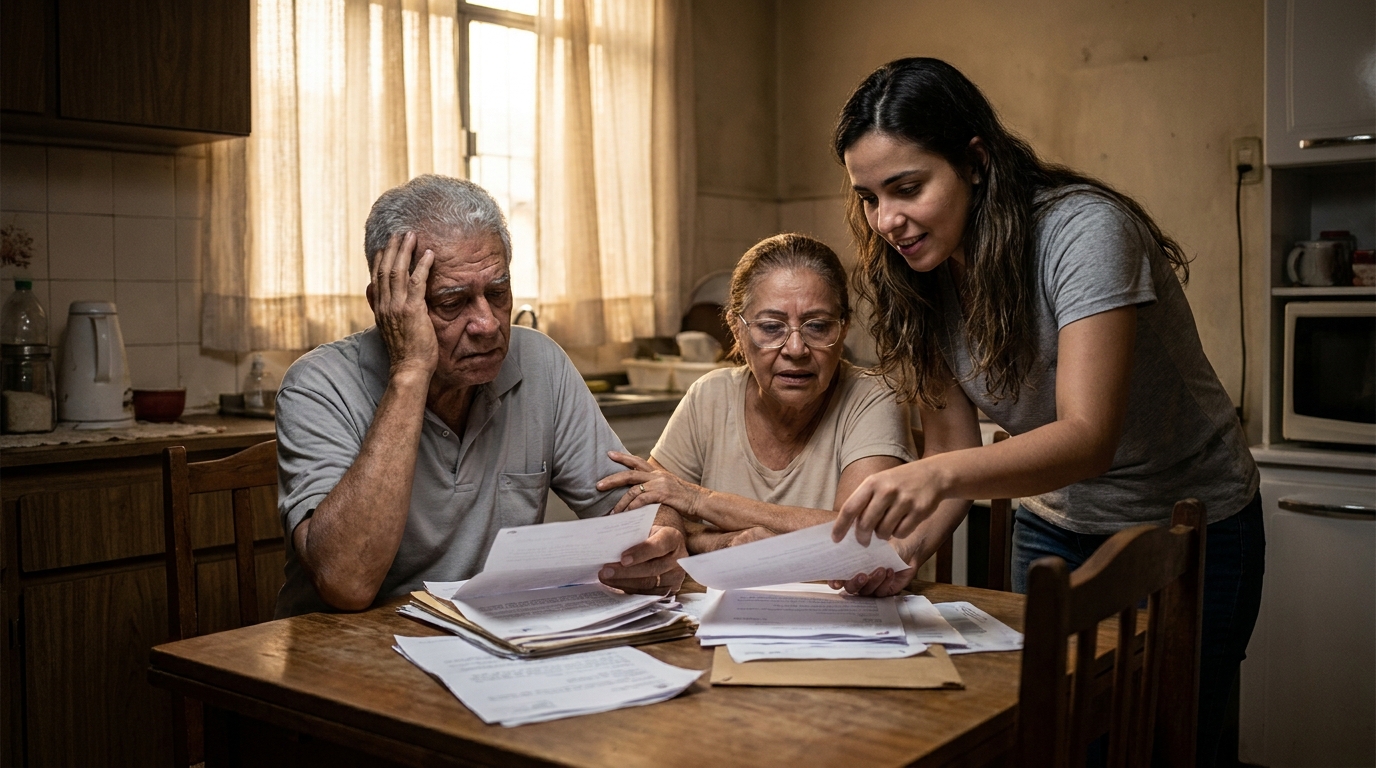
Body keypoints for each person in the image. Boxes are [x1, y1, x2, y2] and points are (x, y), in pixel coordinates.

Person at [826, 58, 1263, 766]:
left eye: (907, 188)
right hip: (1056, 526)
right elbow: (951, 449)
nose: (887, 222)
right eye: (869, 197)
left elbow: (1087, 437)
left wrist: (937, 479)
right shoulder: (915, 272)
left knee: (1168, 744)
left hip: (1191, 525)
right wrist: (903, 554)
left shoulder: (1084, 230)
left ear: (974, 160)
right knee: (1059, 740)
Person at [273, 175, 686, 618]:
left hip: (489, 635)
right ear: (387, 303)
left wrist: (662, 536)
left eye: (497, 292)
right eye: (452, 302)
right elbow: (346, 584)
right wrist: (410, 372)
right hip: (347, 653)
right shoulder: (317, 386)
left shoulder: (540, 362)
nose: (487, 324)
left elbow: (635, 507)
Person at [596, 234, 915, 583]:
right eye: (771, 327)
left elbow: (861, 537)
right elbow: (651, 505)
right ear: (737, 328)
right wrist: (722, 543)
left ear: (844, 328)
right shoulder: (709, 396)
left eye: (818, 326)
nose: (796, 348)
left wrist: (701, 501)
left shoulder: (873, 396)